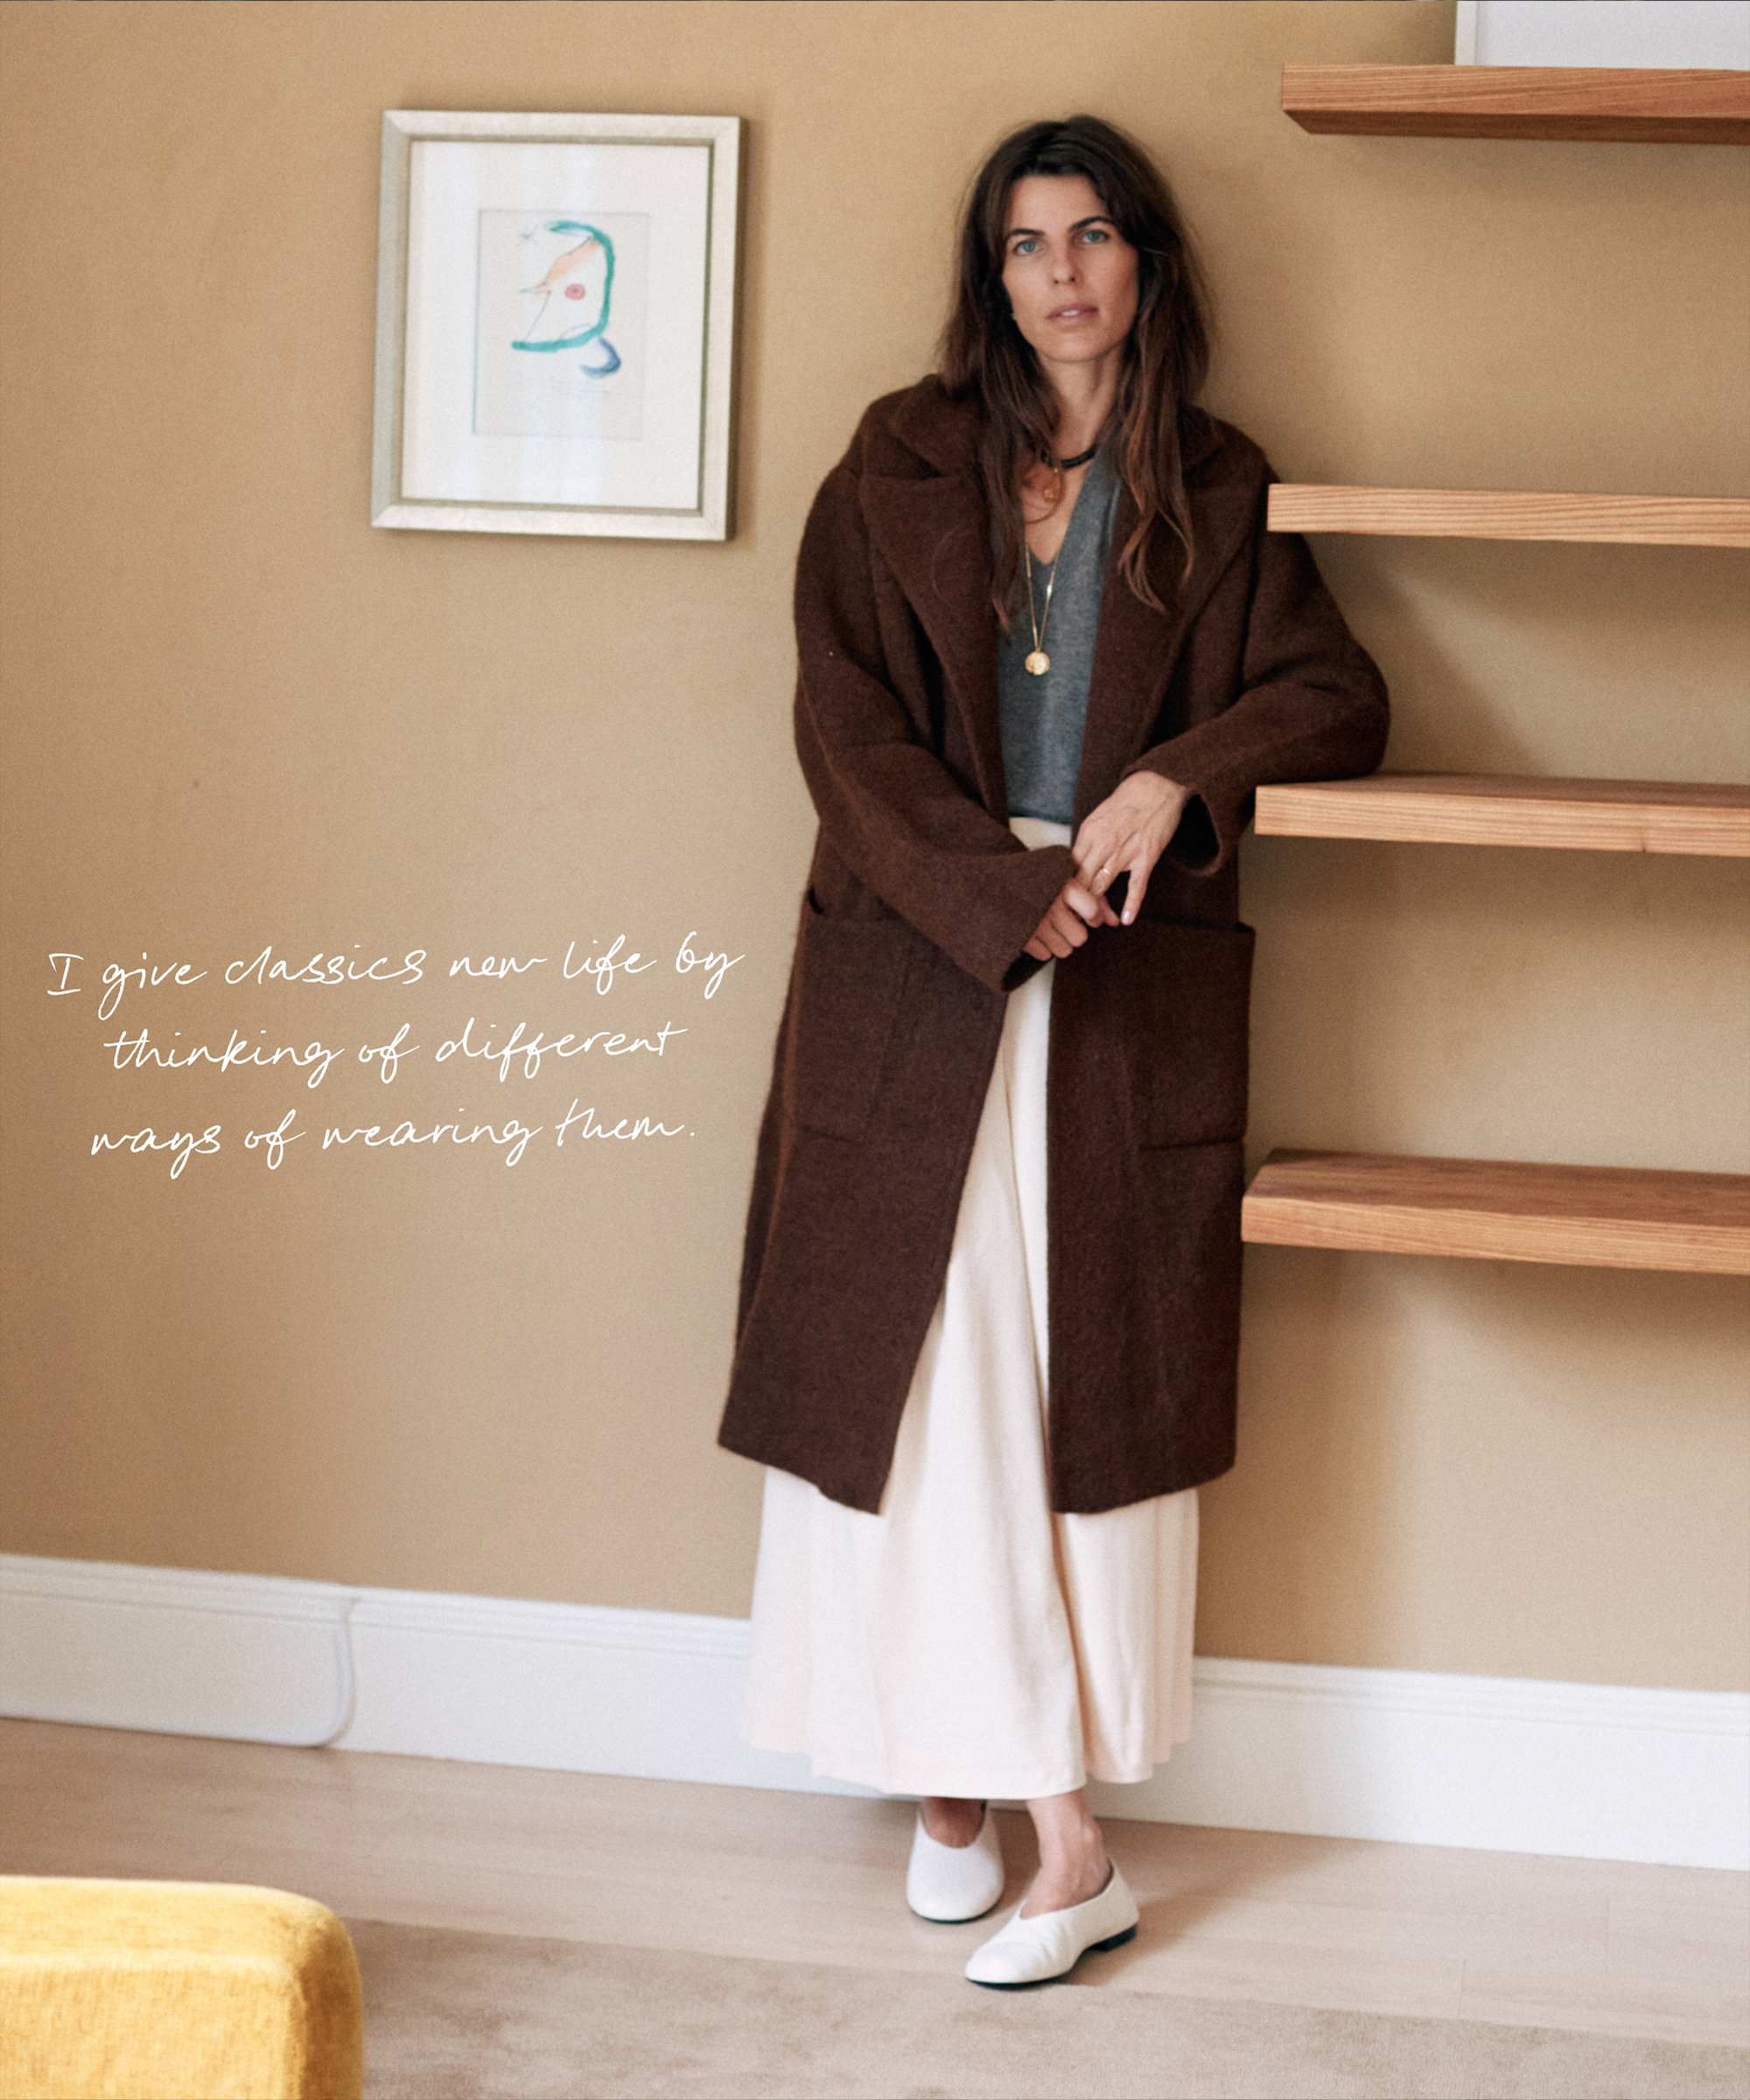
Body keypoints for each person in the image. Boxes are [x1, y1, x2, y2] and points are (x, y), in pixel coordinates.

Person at [718, 115, 1387, 1988]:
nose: (1061, 274)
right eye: (1026, 243)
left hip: (1110, 1003)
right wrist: (992, 890)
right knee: (912, 1383)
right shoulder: (896, 456)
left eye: (1092, 236)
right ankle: (980, 1802)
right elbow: (841, 726)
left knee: (1040, 1396)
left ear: (1144, 262)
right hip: (916, 965)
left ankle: (1031, 1825)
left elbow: (1336, 694)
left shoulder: (1217, 484)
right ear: (989, 274)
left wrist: (1178, 778)